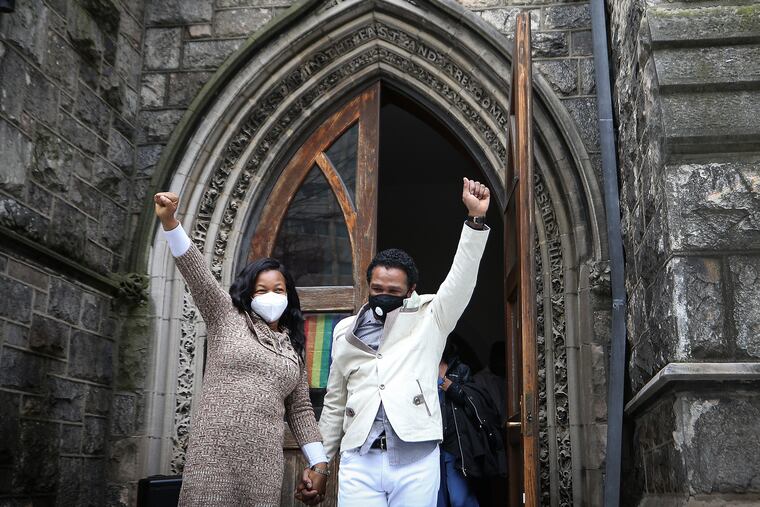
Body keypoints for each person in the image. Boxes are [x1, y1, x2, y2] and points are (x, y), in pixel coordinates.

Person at [300, 178, 491, 506]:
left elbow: (460, 281)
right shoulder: (346, 331)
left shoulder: (431, 318)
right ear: (368, 286)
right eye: (377, 289)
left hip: (416, 459)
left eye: (393, 292)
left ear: (411, 290)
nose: (383, 296)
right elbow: (334, 404)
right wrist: (320, 463)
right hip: (360, 459)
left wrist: (474, 221)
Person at [153, 192, 328, 506]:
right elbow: (198, 274)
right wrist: (170, 222)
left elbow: (301, 411)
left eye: (279, 289)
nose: (271, 296)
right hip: (212, 460)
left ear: (290, 296)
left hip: (263, 467)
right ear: (249, 293)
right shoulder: (226, 316)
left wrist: (319, 464)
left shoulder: (293, 351)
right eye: (262, 290)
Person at [437, 340, 480, 507]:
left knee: (459, 499)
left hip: (455, 443)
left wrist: (453, 388)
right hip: (429, 444)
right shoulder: (420, 368)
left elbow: (474, 402)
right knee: (436, 500)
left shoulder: (461, 370)